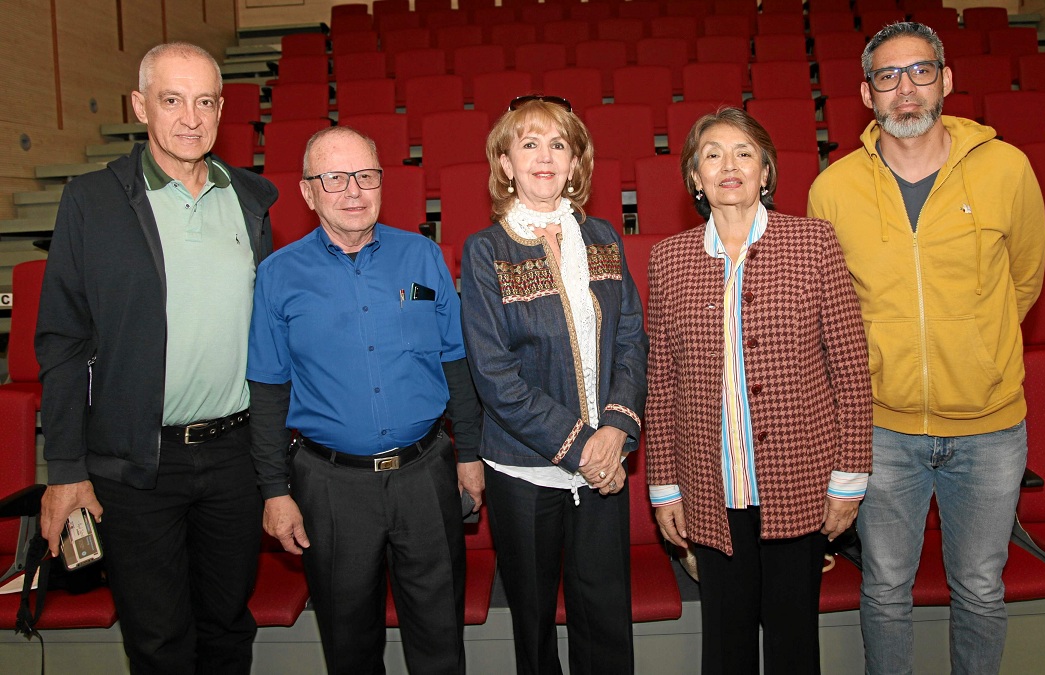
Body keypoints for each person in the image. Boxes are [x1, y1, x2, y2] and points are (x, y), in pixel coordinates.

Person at [807, 22, 1045, 675]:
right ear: (866, 94)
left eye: (919, 72)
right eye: (887, 77)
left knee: (979, 587)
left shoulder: (1006, 168)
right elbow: (830, 309)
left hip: (990, 428)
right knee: (885, 588)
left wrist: (976, 346)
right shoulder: (833, 189)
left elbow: (1025, 279)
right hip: (881, 428)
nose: (905, 89)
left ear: (945, 80)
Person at [35, 42, 276, 673]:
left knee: (227, 628)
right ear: (141, 106)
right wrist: (65, 468)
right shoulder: (90, 201)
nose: (190, 118)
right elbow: (61, 342)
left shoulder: (253, 201)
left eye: (205, 101)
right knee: (158, 642)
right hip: (136, 463)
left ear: (223, 109)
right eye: (172, 100)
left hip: (233, 459)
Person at [246, 125, 485, 674]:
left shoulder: (422, 258)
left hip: (426, 475)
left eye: (365, 176)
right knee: (350, 647)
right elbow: (267, 391)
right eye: (334, 178)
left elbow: (456, 364)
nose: (353, 190)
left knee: (440, 642)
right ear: (308, 193)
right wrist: (274, 492)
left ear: (381, 182)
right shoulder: (278, 276)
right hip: (331, 488)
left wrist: (469, 455)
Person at [646, 107, 872, 675]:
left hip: (798, 480)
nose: (729, 166)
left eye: (744, 153)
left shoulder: (813, 242)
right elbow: (662, 382)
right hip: (708, 485)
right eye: (712, 155)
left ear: (766, 172)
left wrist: (849, 478)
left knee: (794, 644)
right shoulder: (668, 259)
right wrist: (664, 485)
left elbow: (850, 367)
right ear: (694, 178)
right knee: (725, 645)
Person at [460, 95, 647, 675]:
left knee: (607, 621)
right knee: (535, 624)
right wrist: (582, 445)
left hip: (605, 465)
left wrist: (613, 432)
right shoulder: (485, 250)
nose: (545, 157)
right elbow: (494, 375)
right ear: (505, 163)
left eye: (558, 144)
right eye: (529, 144)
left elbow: (631, 342)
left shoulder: (603, 238)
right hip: (523, 472)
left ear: (576, 163)